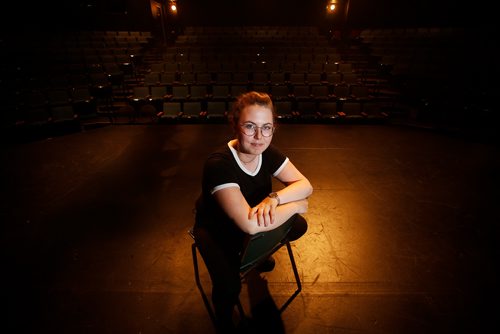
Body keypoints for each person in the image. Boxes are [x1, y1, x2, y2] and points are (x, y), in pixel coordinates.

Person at [193, 91, 313, 333]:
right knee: (229, 287)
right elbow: (249, 224)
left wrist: (275, 197)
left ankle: (256, 256)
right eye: (250, 126)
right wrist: (297, 205)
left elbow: (305, 185)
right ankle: (224, 320)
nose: (259, 136)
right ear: (235, 125)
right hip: (217, 229)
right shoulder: (219, 164)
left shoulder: (266, 151)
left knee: (298, 226)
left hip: (255, 214)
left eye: (266, 127)